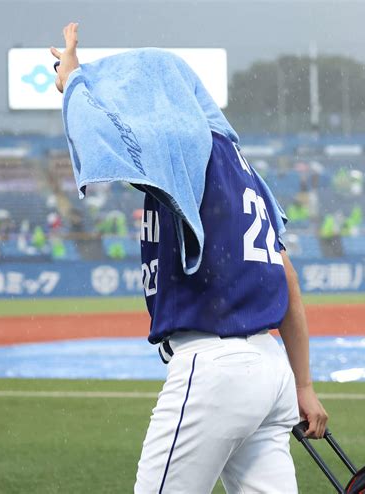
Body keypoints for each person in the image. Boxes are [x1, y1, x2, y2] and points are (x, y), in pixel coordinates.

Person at [52, 23, 328, 494]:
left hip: (214, 365)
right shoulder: (245, 169)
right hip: (270, 368)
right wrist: (303, 385)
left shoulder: (183, 145)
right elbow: (289, 282)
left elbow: (103, 134)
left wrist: (74, 80)